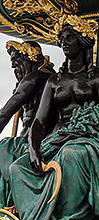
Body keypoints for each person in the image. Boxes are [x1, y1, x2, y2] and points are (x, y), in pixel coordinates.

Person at [8, 14, 99, 220]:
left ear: (82, 41)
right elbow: (39, 121)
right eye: (61, 38)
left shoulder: (98, 78)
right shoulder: (54, 81)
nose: (63, 42)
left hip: (92, 138)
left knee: (71, 155)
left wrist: (77, 131)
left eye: (69, 38)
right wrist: (33, 148)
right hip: (59, 137)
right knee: (17, 168)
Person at [0, 41, 55, 208]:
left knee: (3, 148)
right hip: (44, 135)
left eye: (17, 60)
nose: (14, 66)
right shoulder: (50, 76)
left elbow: (5, 113)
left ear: (29, 58)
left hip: (34, 138)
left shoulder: (34, 78)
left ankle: (8, 203)